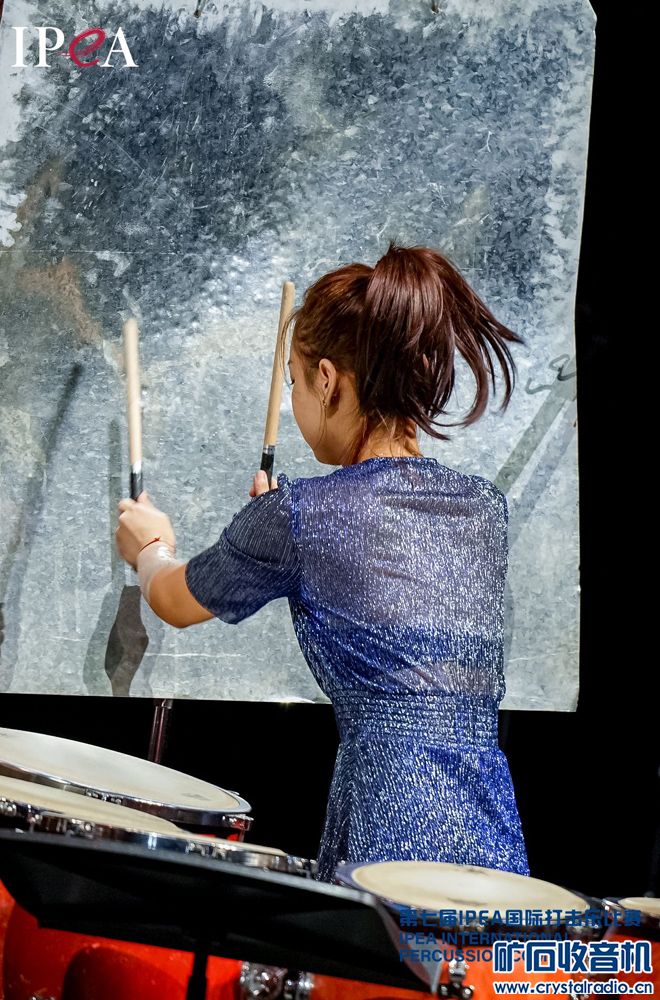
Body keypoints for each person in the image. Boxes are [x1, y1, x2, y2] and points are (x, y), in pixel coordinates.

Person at [115, 242, 529, 882]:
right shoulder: (484, 510)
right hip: (490, 828)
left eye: (295, 383)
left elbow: (173, 599)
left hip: (389, 825)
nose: (295, 403)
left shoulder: (302, 515)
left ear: (328, 380)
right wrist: (275, 528)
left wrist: (150, 546)